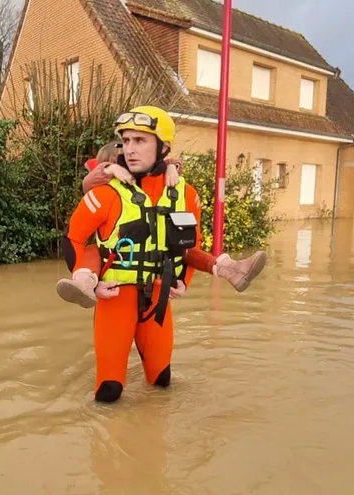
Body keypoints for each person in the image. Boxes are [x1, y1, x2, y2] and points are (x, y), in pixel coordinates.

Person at [60, 105, 209, 403]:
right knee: (109, 392)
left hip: (157, 297)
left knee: (162, 382)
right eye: (126, 141)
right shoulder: (105, 193)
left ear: (163, 147)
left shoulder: (186, 194)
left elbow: (192, 243)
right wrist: (91, 284)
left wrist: (184, 279)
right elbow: (72, 238)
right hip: (114, 298)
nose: (130, 149)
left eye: (140, 141)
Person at [56, 142, 267, 309]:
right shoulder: (105, 183)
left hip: (150, 257)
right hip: (114, 256)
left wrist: (170, 167)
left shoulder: (149, 181)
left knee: (182, 246)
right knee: (92, 251)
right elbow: (92, 182)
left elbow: (160, 167)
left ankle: (230, 268)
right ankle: (85, 282)